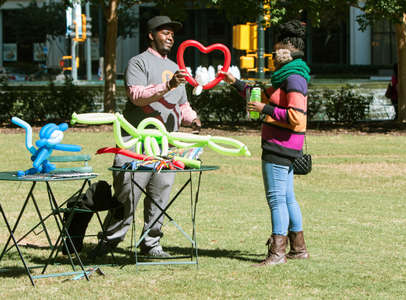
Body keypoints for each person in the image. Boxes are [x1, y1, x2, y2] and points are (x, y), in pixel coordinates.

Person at [93, 16, 201, 258]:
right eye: (165, 32)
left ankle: (151, 244)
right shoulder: (138, 63)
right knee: (127, 195)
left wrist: (192, 118)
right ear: (151, 35)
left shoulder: (176, 68)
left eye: (173, 34)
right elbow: (137, 96)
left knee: (160, 197)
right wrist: (167, 85)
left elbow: (182, 105)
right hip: (136, 145)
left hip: (166, 147)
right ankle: (109, 242)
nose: (170, 37)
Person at [219, 20, 310, 266]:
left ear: (286, 48)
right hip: (283, 145)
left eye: (276, 45)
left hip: (280, 146)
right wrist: (234, 82)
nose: (272, 51)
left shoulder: (293, 78)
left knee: (276, 199)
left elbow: (295, 117)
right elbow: (261, 94)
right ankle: (298, 249)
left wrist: (264, 109)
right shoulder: (287, 76)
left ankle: (277, 252)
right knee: (287, 197)